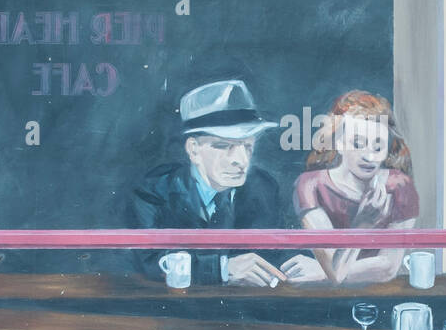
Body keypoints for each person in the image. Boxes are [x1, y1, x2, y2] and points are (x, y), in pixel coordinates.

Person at [125, 79, 324, 286]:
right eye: (223, 146)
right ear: (193, 149)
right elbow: (150, 261)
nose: (241, 160)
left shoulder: (262, 187)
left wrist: (309, 263)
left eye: (247, 146)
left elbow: (274, 248)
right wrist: (222, 269)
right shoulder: (156, 189)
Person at [293, 91, 419, 284]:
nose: (369, 157)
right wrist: (363, 224)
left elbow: (388, 268)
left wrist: (321, 273)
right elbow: (335, 269)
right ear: (339, 143)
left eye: (378, 148)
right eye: (358, 144)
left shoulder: (400, 187)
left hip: (379, 294)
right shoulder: (310, 185)